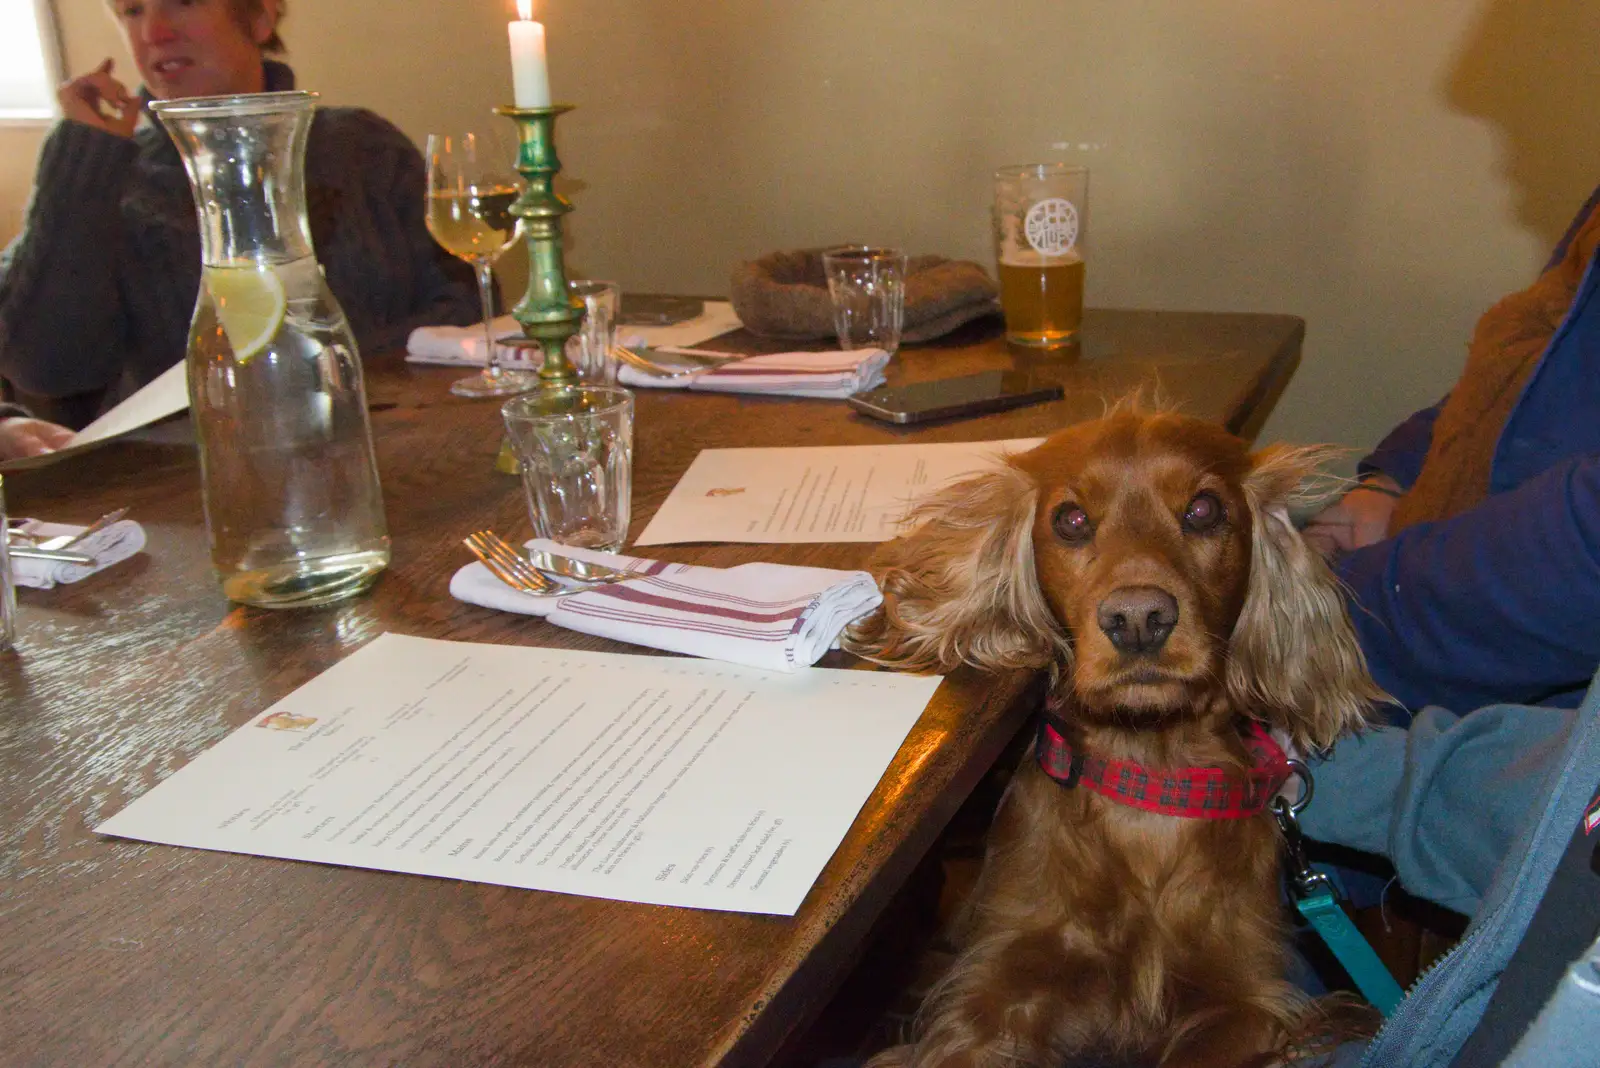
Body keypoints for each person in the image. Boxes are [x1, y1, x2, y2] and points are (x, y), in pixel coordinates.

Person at [0, 0, 479, 428]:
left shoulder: (364, 148)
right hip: (185, 493)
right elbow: (47, 368)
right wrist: (83, 157)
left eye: (182, 3)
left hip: (402, 447)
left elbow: (470, 305)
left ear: (261, 14)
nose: (153, 33)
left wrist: (318, 377)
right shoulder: (102, 183)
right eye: (132, 10)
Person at [1303, 181, 1600, 719]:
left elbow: (1587, 551)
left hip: (1549, 733)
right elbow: (1524, 379)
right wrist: (1393, 484)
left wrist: (1319, 621)